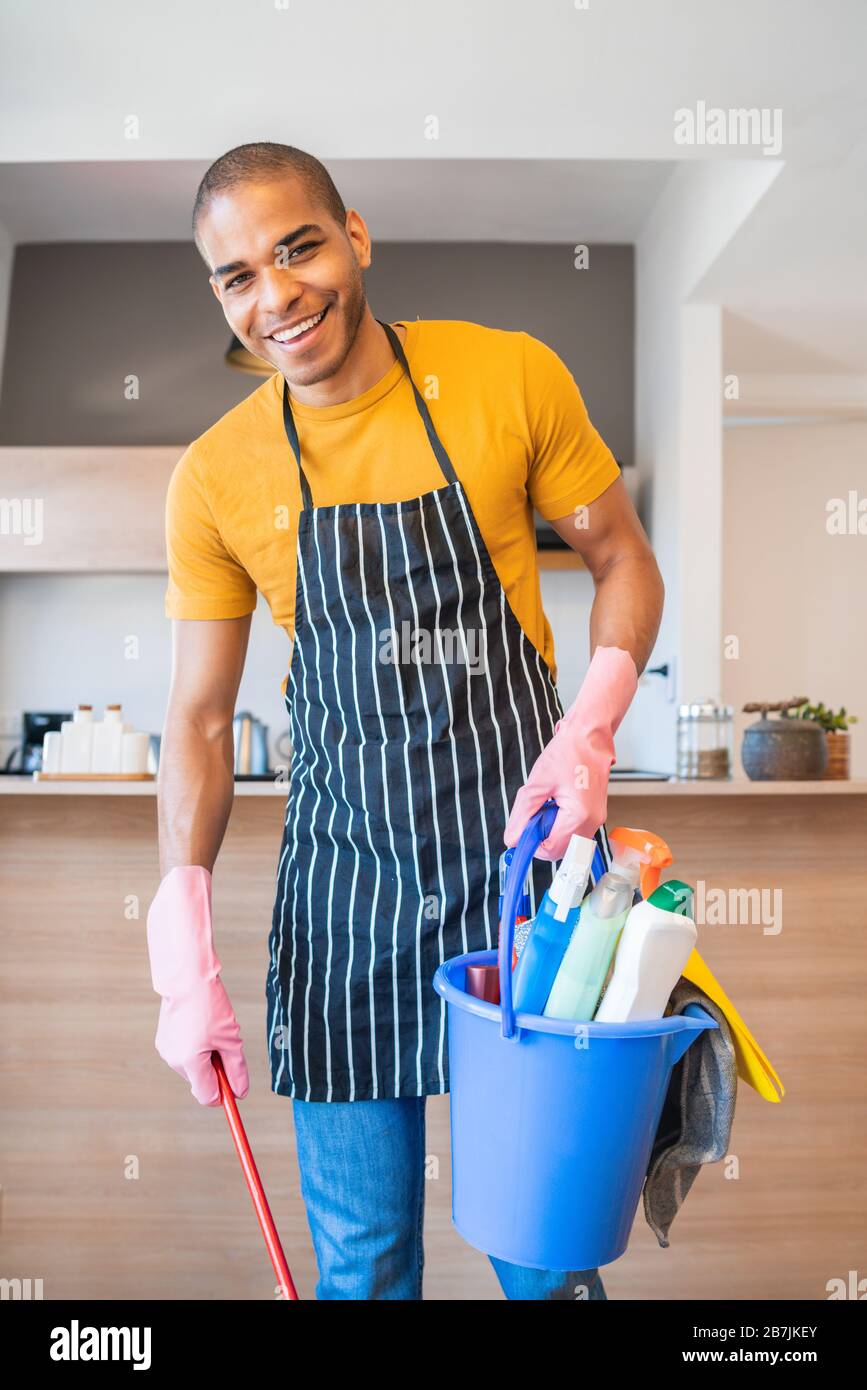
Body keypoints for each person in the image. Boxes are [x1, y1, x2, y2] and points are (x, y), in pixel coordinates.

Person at [146, 141, 664, 1300]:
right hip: (345, 902)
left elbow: (620, 553)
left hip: (526, 884)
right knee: (366, 1268)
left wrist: (593, 720)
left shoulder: (508, 378)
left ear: (356, 236)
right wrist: (180, 909)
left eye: (299, 247)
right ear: (220, 295)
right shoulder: (216, 477)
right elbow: (198, 715)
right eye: (237, 275)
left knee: (543, 1251)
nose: (276, 294)